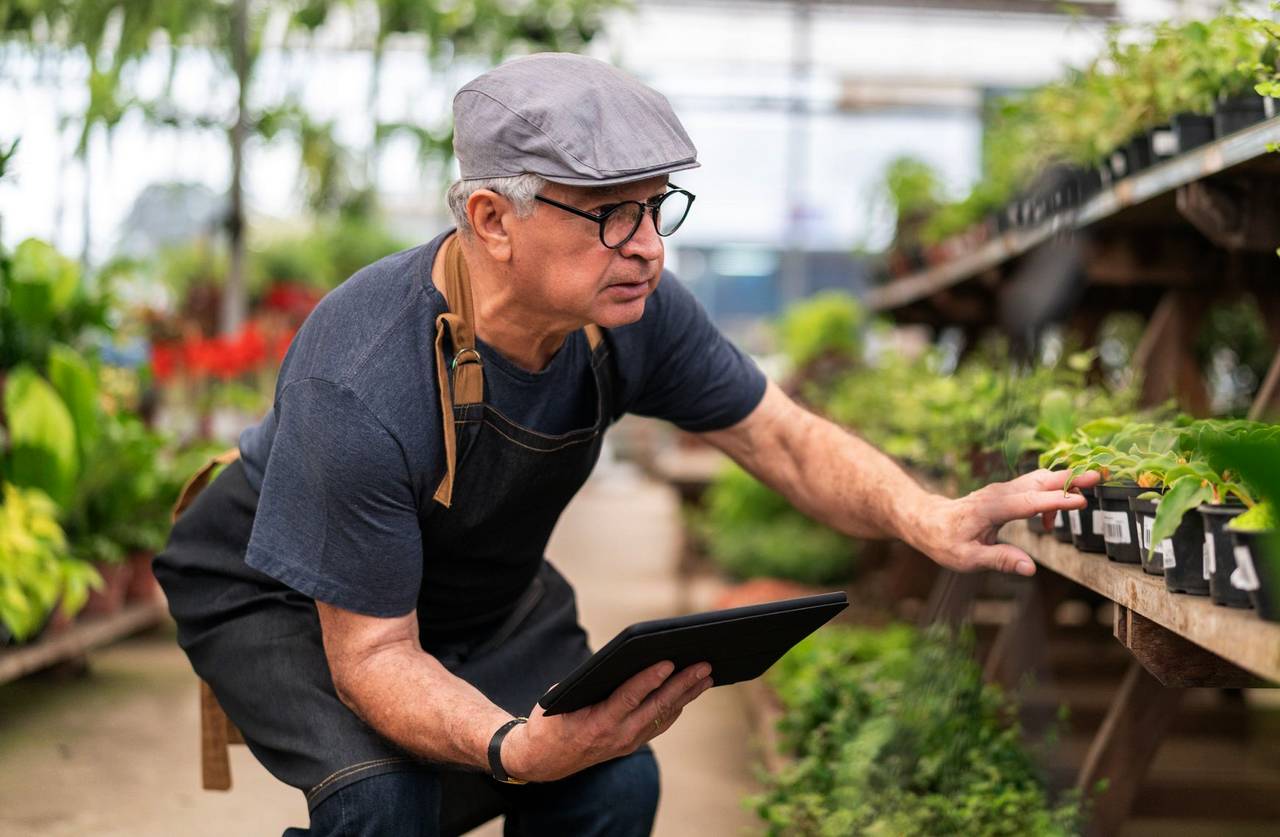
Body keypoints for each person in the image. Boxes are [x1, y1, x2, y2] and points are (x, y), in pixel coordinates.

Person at [154, 52, 1096, 837]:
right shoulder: (358, 374)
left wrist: (926, 516)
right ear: (491, 220)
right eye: (612, 214)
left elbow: (780, 437)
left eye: (657, 208)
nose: (648, 246)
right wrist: (509, 747)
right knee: (384, 800)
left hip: (474, 589)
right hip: (287, 591)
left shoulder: (630, 314)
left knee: (611, 783)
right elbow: (372, 655)